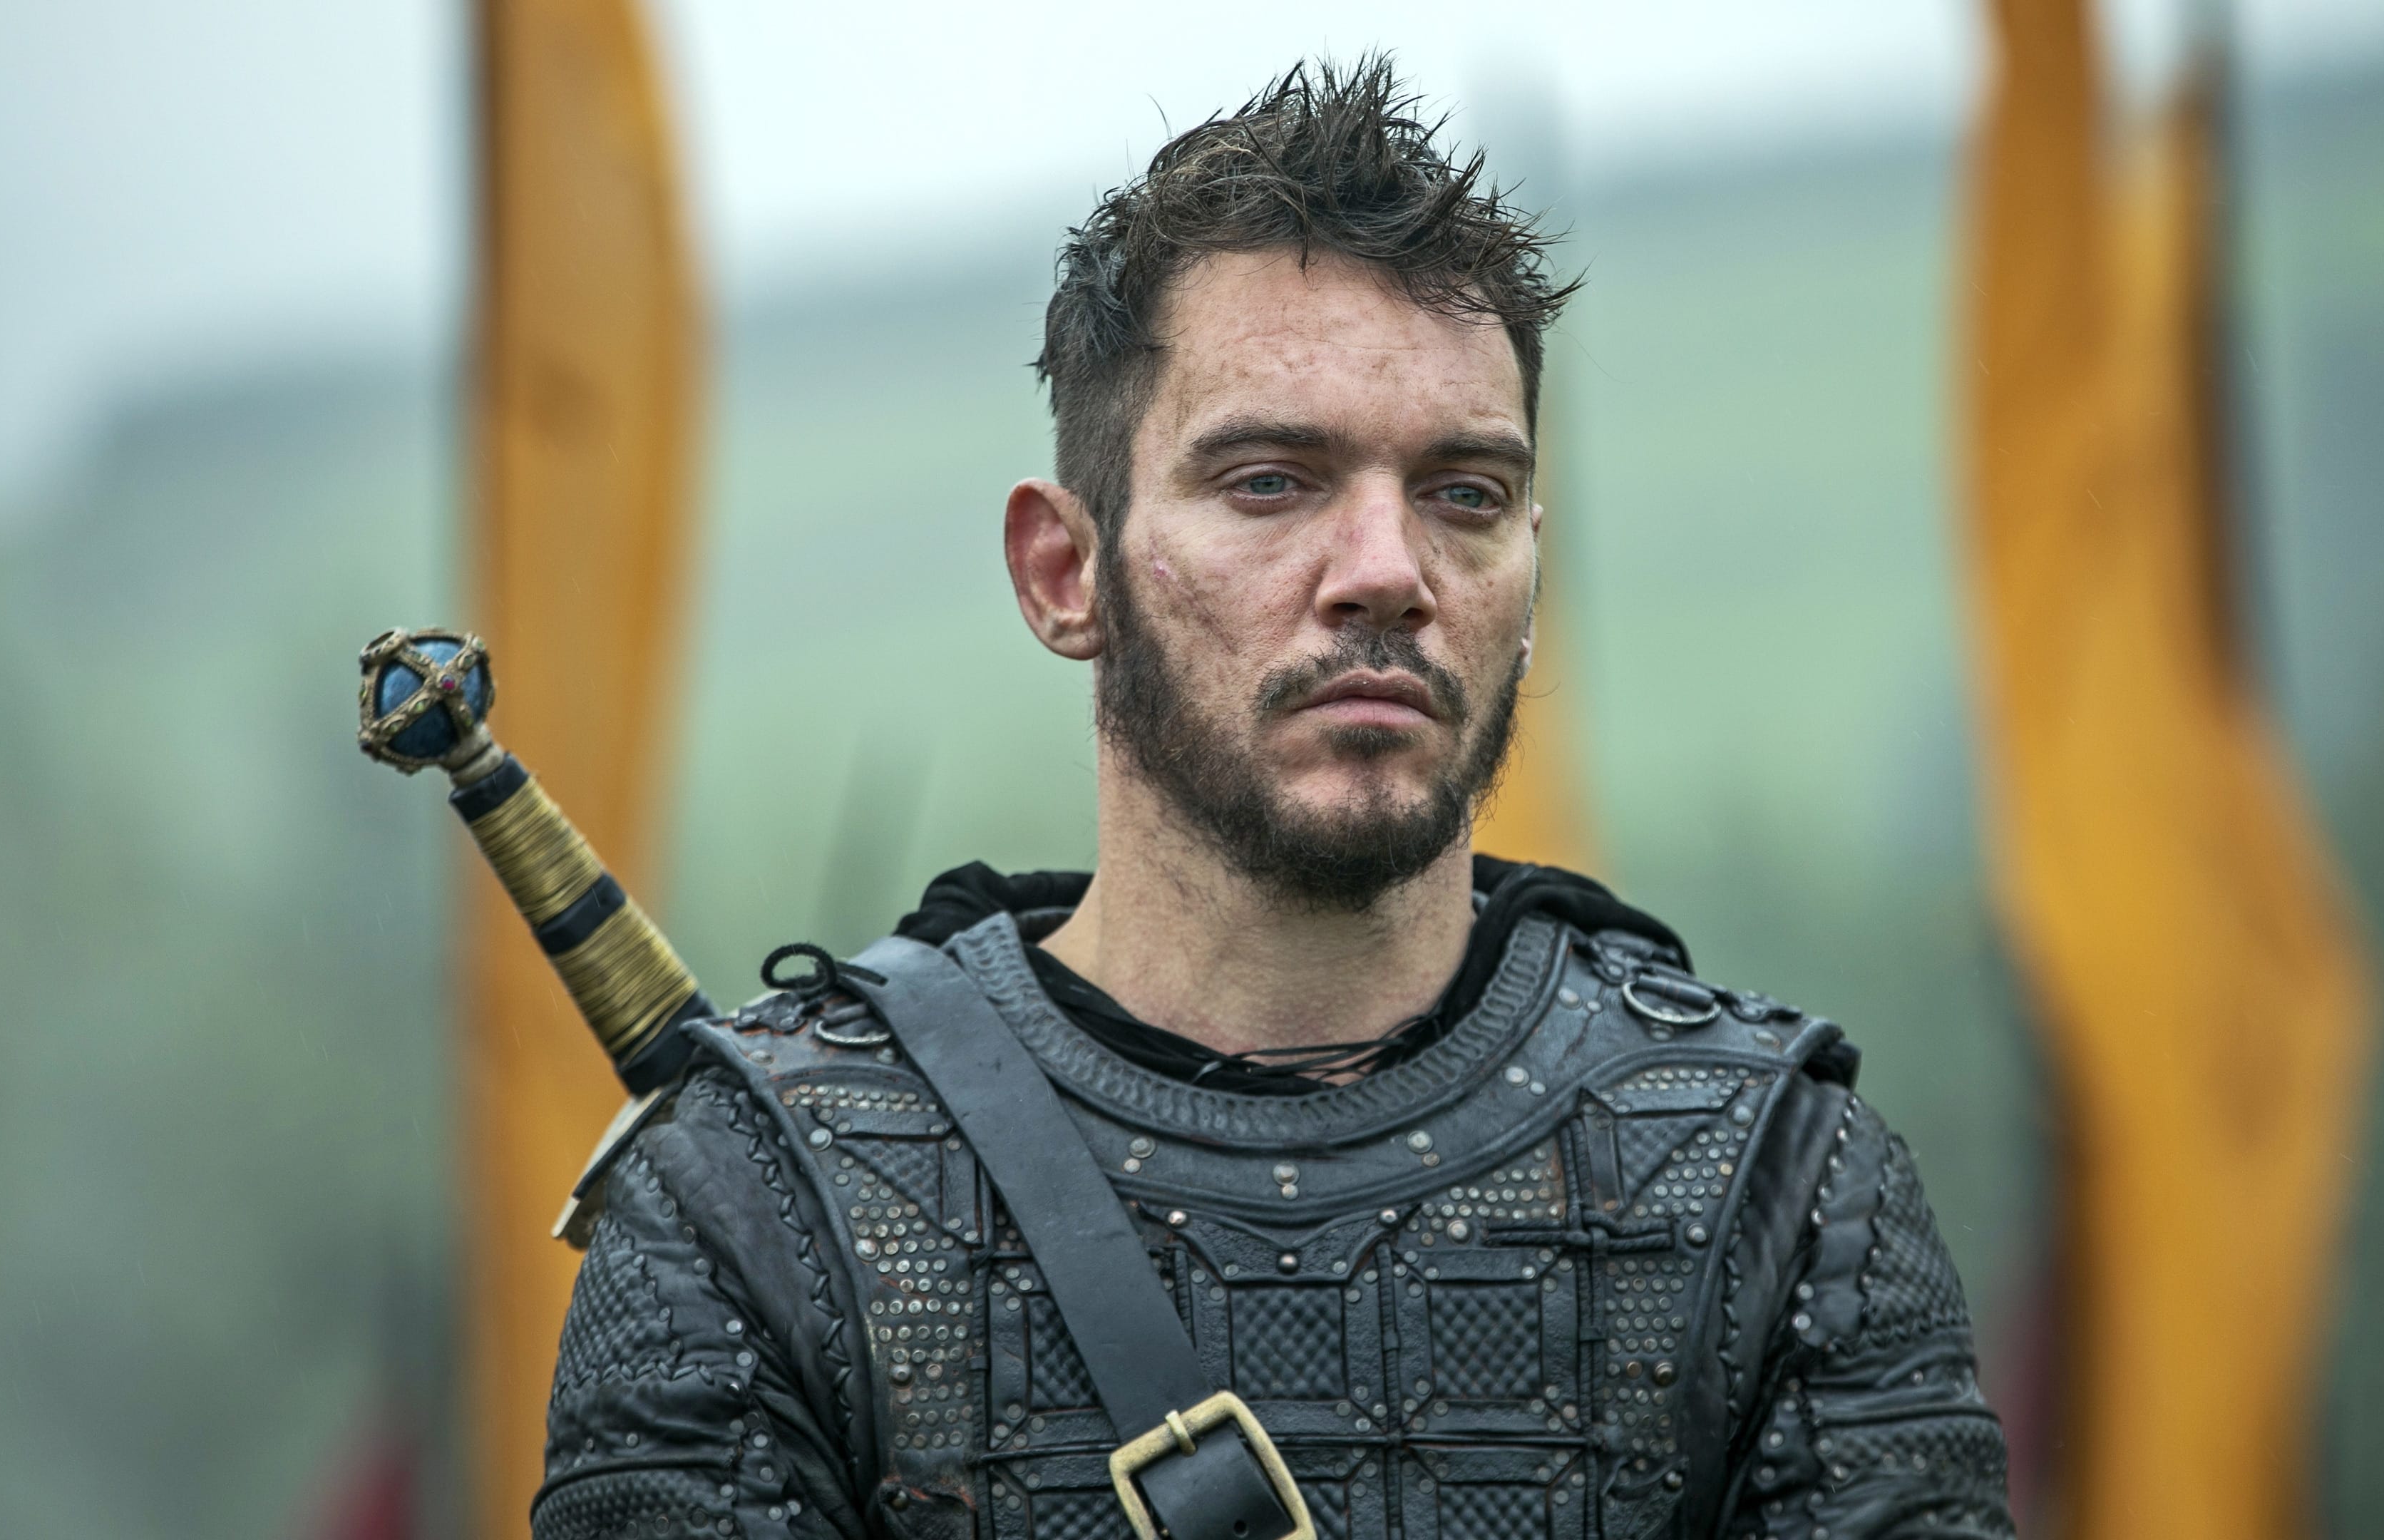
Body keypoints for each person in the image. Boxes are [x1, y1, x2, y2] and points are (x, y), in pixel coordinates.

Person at [531, 58, 2014, 1540]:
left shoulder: (1771, 1178)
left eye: (1465, 494)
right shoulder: (763, 1205)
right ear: (1065, 572)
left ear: (1531, 574)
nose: (1387, 572)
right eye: (1269, 482)